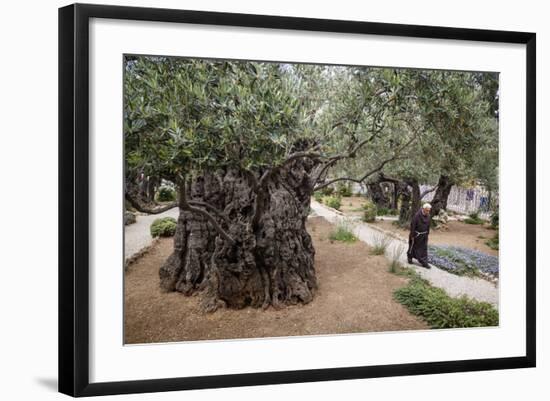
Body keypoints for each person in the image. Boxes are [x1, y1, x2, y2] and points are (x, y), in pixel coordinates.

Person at [407, 203, 432, 268]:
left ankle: (424, 262)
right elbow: (413, 225)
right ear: (423, 209)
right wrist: (412, 235)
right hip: (416, 235)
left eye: (429, 210)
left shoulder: (428, 216)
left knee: (423, 249)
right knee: (412, 247)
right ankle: (410, 258)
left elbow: (428, 225)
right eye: (427, 210)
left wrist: (427, 233)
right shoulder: (417, 216)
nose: (428, 212)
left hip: (424, 235)